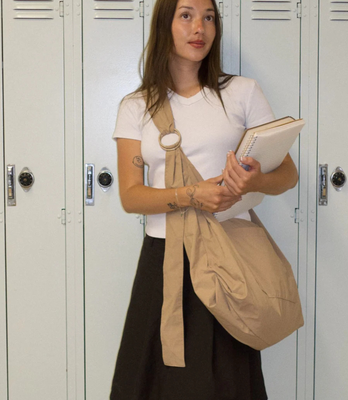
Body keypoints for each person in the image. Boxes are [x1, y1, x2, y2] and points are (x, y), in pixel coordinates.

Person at [110, 0, 298, 399]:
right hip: (165, 259)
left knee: (226, 385)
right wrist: (192, 195)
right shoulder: (136, 106)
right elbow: (131, 195)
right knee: (153, 385)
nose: (200, 27)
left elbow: (287, 175)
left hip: (229, 258)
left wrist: (251, 183)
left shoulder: (242, 93)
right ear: (166, 24)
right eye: (187, 15)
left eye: (209, 17)